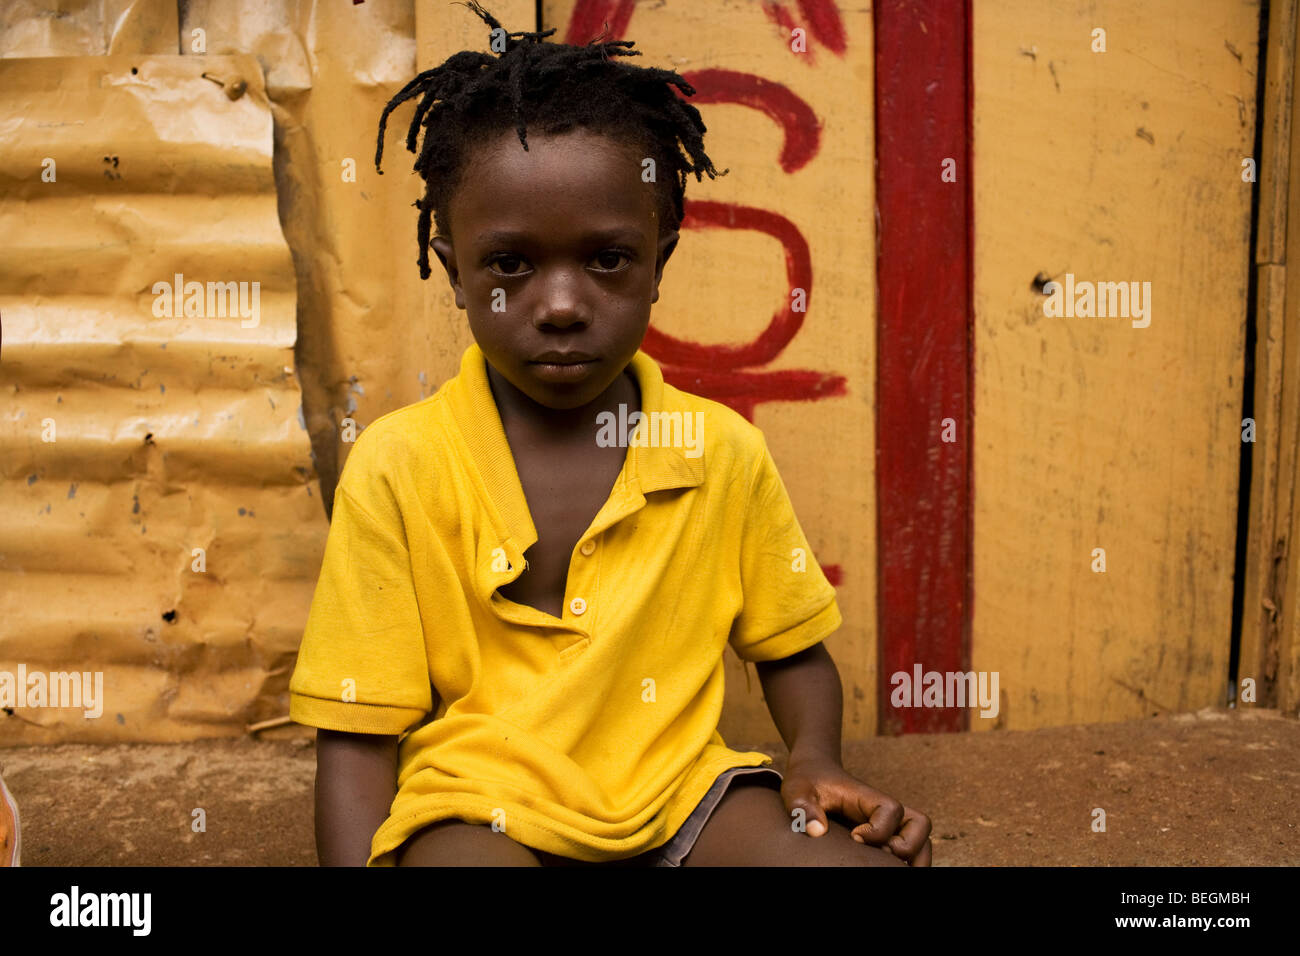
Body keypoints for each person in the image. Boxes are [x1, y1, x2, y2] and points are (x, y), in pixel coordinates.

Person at [289, 1, 932, 867]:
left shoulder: (718, 451)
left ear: (658, 264)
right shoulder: (400, 466)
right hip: (482, 807)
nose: (560, 305)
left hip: (683, 794)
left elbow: (794, 652)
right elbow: (358, 731)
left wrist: (814, 761)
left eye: (605, 259)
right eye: (511, 264)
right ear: (455, 272)